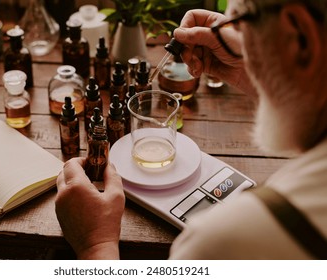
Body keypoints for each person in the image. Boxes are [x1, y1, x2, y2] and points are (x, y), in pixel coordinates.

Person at [55, 0, 327, 259]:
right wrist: (257, 72)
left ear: (299, 37)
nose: (239, 38)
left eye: (241, 24)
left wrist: (96, 244)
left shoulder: (227, 242)